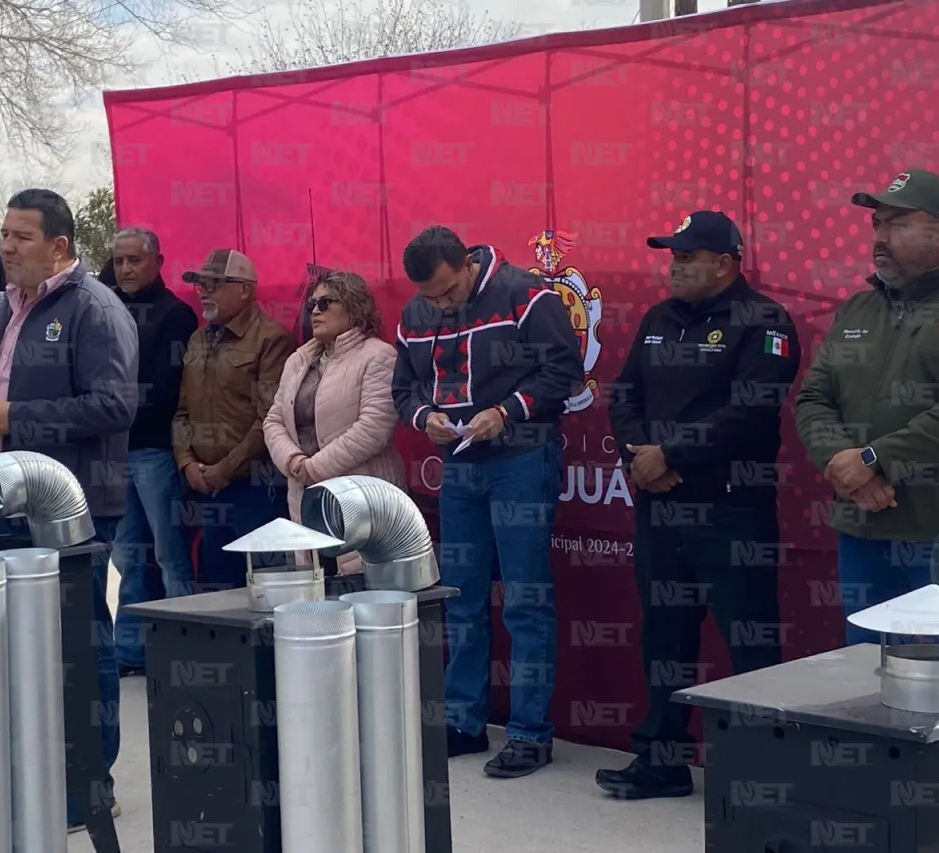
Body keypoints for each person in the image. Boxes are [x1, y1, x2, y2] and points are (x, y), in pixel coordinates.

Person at [0, 188, 138, 827]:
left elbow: (115, 406)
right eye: (4, 234)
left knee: (79, 646)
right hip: (3, 498)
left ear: (59, 247)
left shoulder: (95, 308)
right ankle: (30, 773)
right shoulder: (6, 307)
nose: (5, 246)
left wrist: (15, 416)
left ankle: (90, 783)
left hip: (72, 507)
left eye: (20, 237)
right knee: (17, 649)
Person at [600, 210, 801, 800]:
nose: (676, 265)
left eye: (687, 256)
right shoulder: (659, 318)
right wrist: (641, 456)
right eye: (673, 256)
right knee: (664, 638)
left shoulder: (765, 320)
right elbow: (625, 393)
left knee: (752, 645)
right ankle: (661, 762)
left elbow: (751, 410)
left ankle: (768, 775)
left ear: (726, 262)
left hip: (731, 510)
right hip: (662, 508)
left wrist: (673, 454)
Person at [393, 225, 584, 778]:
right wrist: (419, 417)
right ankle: (463, 721)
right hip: (459, 466)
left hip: (521, 461)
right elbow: (402, 385)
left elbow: (564, 372)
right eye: (430, 297)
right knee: (461, 598)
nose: (440, 304)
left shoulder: (525, 294)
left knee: (525, 601)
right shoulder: (415, 312)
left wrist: (507, 412)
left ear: (468, 264)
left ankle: (529, 734)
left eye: (448, 292)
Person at [795, 168, 939, 645]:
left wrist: (874, 459)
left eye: (896, 223)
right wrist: (843, 464)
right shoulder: (857, 309)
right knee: (865, 680)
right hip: (863, 529)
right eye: (877, 224)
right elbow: (814, 399)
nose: (880, 237)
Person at [103, 227, 199, 678]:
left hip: (156, 451)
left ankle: (184, 648)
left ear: (157, 262)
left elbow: (168, 388)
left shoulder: (175, 315)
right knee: (126, 557)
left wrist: (109, 406)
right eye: (119, 260)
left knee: (169, 555)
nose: (125, 269)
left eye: (134, 260)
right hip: (115, 450)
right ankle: (131, 651)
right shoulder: (104, 307)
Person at [263, 270, 405, 574]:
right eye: (312, 304)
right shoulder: (298, 360)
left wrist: (314, 468)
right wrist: (293, 461)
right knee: (317, 595)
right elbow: (274, 420)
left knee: (365, 597)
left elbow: (374, 428)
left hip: (362, 494)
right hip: (306, 496)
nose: (315, 310)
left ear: (354, 307)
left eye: (326, 303)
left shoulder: (378, 356)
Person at [172, 249, 295, 591]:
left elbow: (269, 419)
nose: (202, 291)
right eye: (200, 284)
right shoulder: (198, 339)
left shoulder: (272, 339)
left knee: (267, 590)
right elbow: (182, 410)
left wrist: (224, 469)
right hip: (207, 490)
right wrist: (186, 463)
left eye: (213, 284)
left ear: (245, 289)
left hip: (254, 489)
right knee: (220, 592)